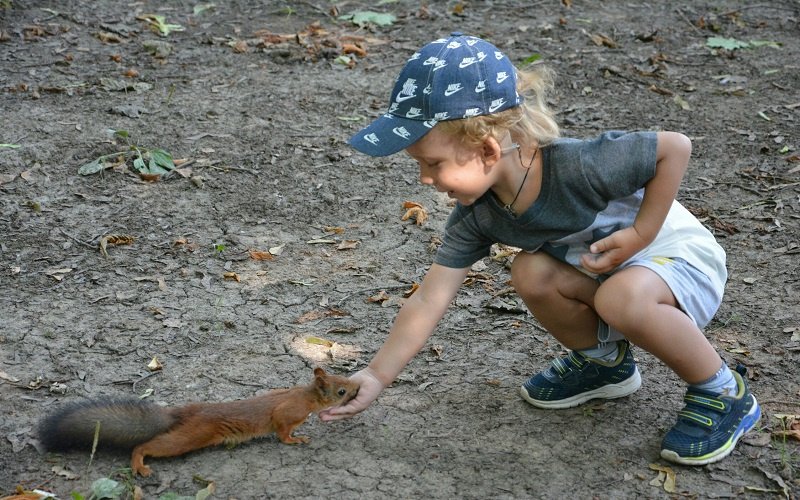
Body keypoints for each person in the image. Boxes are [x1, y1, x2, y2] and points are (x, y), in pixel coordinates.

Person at [319, 32, 760, 465]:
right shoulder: (478, 215)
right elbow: (431, 297)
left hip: (681, 264)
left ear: (488, 149)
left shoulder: (579, 165)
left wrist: (641, 234)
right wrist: (376, 375)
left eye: (432, 163)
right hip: (613, 274)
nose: (424, 179)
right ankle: (606, 365)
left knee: (620, 296)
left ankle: (723, 390)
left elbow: (674, 148)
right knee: (531, 271)